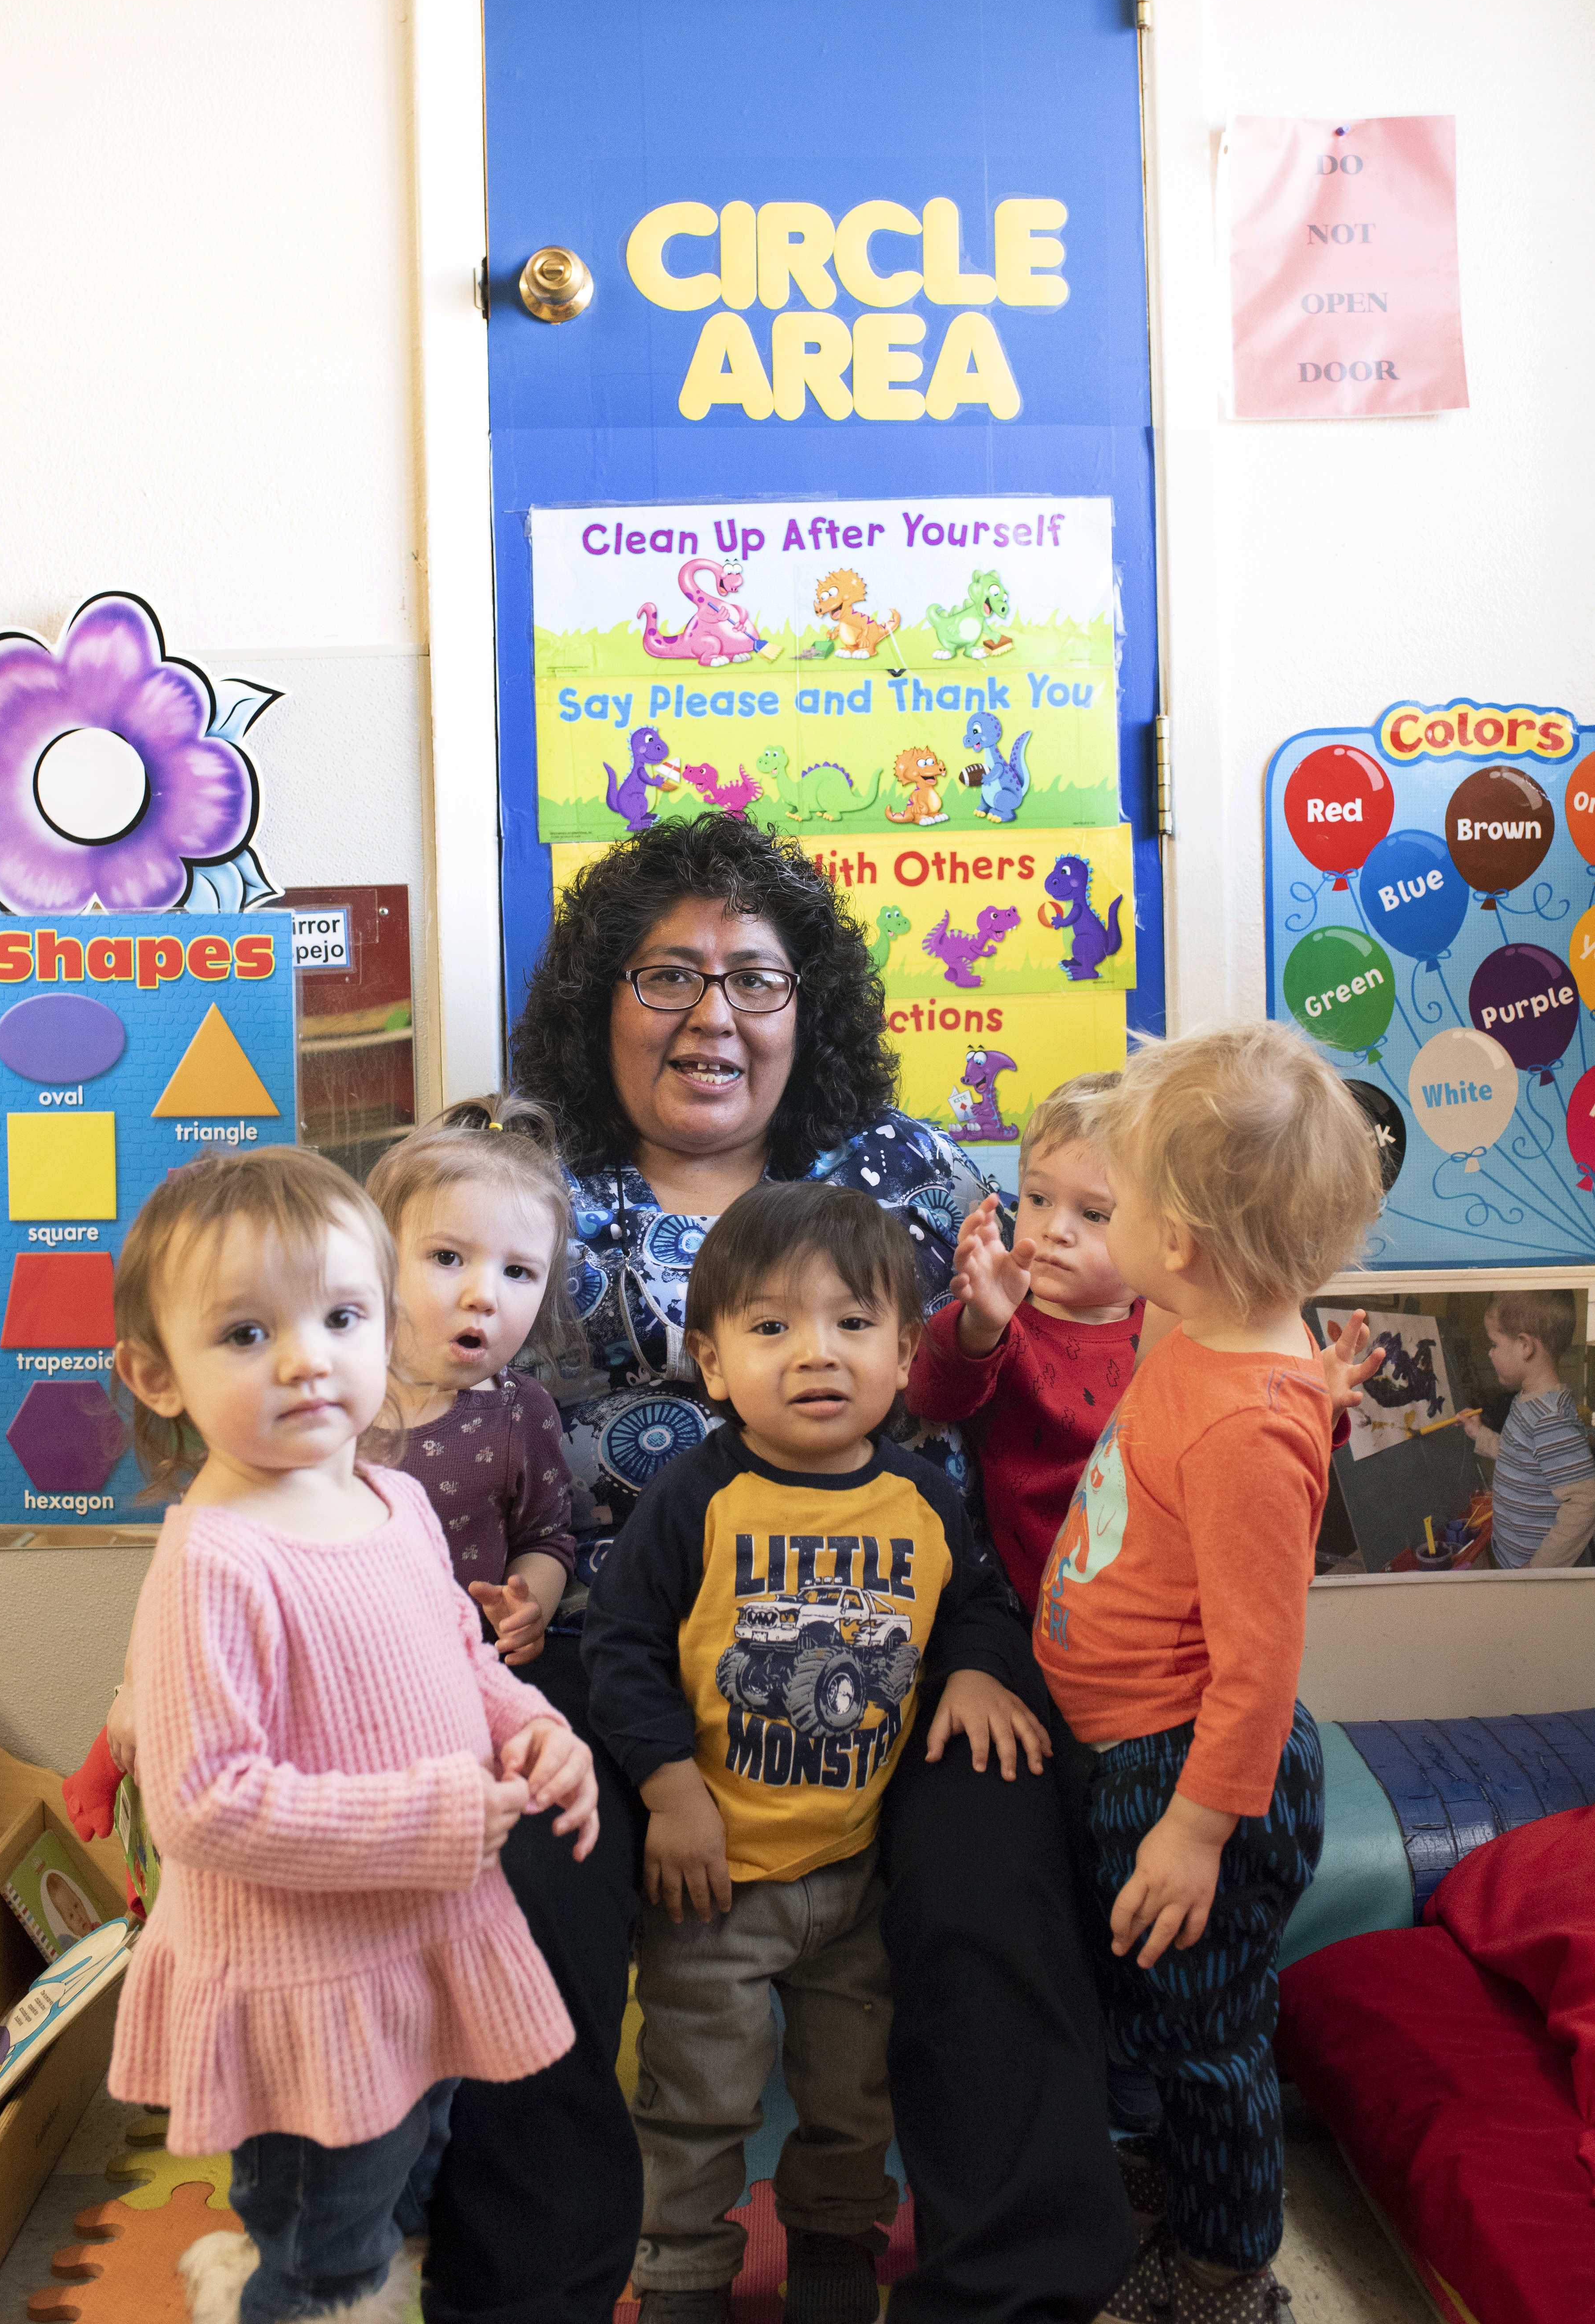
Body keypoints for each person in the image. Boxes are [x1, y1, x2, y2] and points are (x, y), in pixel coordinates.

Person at [424, 807, 1135, 2324]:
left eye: (754, 976)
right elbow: (395, 1372)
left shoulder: (906, 1170)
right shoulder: (511, 1173)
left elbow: (1046, 1385)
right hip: (602, 1628)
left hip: (902, 1614)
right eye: (664, 973)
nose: (711, 1014)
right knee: (536, 1877)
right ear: (594, 1000)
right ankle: (526, 2291)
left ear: (805, 1005)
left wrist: (997, 1644)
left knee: (992, 1854)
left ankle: (1011, 2291)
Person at [103, 1148, 599, 2324]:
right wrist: (434, 1813)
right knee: (328, 2253)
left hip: (417, 1948)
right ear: (154, 1372)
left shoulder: (398, 1500)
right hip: (307, 1986)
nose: (305, 1355)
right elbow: (203, 1800)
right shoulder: (214, 1560)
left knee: (407, 2191)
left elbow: (460, 1657)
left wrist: (535, 1730)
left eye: (340, 1314)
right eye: (242, 1333)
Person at [585, 1185, 1046, 2324]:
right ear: (710, 1360)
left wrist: (979, 1669)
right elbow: (623, 1645)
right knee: (695, 2100)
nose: (814, 1356)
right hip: (711, 1881)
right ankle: (682, 2270)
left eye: (851, 1325)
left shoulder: (921, 1498)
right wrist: (668, 1786)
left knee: (853, 2097)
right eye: (771, 1327)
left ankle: (835, 2257)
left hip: (853, 1880)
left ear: (903, 1355)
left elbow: (978, 1607)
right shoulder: (696, 1496)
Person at [1033, 1024, 1384, 2324]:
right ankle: (1169, 2189)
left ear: (1173, 1244)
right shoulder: (1223, 1335)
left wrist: (1192, 1824)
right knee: (1151, 2011)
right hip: (1133, 1750)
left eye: (1111, 1202)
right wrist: (1315, 1397)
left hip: (1184, 1771)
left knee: (1205, 2035)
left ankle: (1229, 2269)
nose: (1093, 1221)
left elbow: (1259, 1662)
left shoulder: (1240, 1409)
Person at [904, 1071, 1160, 1617]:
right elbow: (929, 1396)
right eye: (1038, 1199)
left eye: (1094, 1214)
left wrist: (1315, 1406)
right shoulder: (1005, 1318)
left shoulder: (1172, 1328)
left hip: (1148, 1604)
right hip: (1029, 1607)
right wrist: (981, 1322)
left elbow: (1234, 1446)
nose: (1053, 1229)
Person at [365, 1098, 583, 1662]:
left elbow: (545, 1538)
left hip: (457, 1688)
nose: (484, 1295)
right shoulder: (320, 1394)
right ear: (376, 1260)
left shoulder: (519, 1413)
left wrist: (527, 1605)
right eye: (447, 1257)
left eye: (517, 1272)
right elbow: (222, 1538)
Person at [1455, 1290, 1595, 1569]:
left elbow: (1585, 1502)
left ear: (1524, 1346)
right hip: (1516, 1558)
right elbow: (1522, 1456)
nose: (1490, 1352)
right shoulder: (1526, 1400)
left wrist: (1539, 1571)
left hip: (1539, 1573)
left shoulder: (1549, 1418)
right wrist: (1480, 1434)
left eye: (1494, 1343)